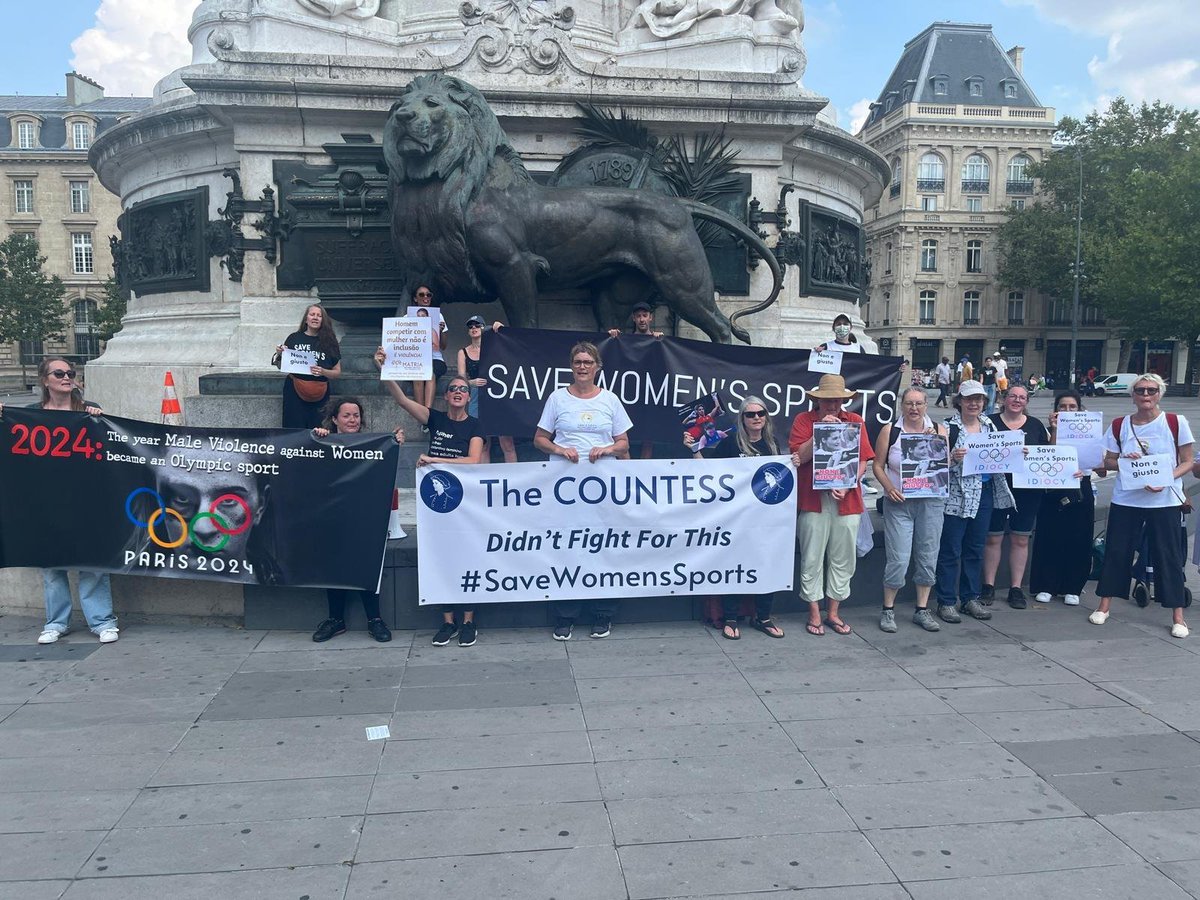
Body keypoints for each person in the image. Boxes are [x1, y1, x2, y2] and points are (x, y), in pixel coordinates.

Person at [1, 359, 119, 645]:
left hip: (84, 498)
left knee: (92, 559)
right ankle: (56, 623)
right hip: (45, 499)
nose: (66, 378)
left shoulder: (88, 410)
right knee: (51, 562)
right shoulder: (29, 415)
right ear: (45, 380)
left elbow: (107, 448)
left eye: (70, 373)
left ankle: (102, 621)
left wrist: (99, 418)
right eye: (59, 373)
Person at [375, 352, 487, 646]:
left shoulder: (475, 425)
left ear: (469, 395)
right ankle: (447, 622)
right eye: (453, 389)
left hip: (465, 504)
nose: (458, 392)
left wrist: (433, 459)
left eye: (463, 389)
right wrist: (384, 369)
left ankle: (469, 622)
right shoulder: (434, 418)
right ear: (446, 396)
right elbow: (401, 400)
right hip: (437, 505)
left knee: (467, 560)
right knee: (440, 560)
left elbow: (473, 461)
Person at [534, 341, 632, 640]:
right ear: (571, 365)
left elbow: (624, 443)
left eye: (588, 362)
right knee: (568, 547)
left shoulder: (611, 400)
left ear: (597, 367)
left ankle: (603, 613)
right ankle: (566, 614)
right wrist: (559, 448)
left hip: (603, 487)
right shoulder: (557, 398)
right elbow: (539, 439)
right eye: (578, 362)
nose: (582, 367)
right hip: (565, 487)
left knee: (603, 547)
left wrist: (607, 448)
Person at [1090, 373, 1193, 638]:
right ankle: (1105, 604)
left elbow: (1187, 461)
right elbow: (1108, 462)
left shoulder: (1174, 422)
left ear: (1160, 393)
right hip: (1127, 498)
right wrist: (1124, 457)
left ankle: (1177, 615)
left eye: (1151, 390)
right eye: (1140, 391)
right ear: (1132, 395)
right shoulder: (1119, 425)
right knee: (1117, 550)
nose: (1146, 395)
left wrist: (1166, 478)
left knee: (1167, 554)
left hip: (1165, 499)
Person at [686, 396, 784, 639]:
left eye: (760, 413)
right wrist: (694, 450)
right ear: (742, 418)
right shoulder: (730, 443)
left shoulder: (772, 444)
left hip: (765, 519)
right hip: (736, 519)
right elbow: (710, 474)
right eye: (750, 414)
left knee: (766, 565)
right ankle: (730, 617)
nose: (756, 418)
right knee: (735, 566)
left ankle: (763, 617)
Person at [309, 397, 402, 643]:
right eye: (347, 415)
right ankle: (335, 619)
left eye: (356, 415)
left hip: (364, 517)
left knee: (366, 565)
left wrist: (394, 443)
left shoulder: (372, 445)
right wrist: (317, 438)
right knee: (333, 567)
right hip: (331, 516)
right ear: (334, 419)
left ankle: (375, 619)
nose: (353, 420)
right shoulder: (323, 442)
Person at [789, 374, 875, 636]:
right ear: (817, 400)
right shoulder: (804, 421)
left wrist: (849, 484)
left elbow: (863, 460)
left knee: (843, 558)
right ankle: (814, 611)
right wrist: (820, 434)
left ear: (843, 400)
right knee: (812, 556)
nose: (832, 405)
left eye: (836, 400)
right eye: (826, 400)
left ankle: (834, 612)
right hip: (813, 501)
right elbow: (798, 458)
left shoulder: (855, 421)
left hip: (846, 499)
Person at [934, 380, 1016, 624]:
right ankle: (946, 601)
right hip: (955, 496)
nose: (974, 403)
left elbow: (1001, 457)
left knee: (975, 548)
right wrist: (952, 458)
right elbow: (934, 466)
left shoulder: (990, 425)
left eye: (979, 399)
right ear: (959, 401)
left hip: (984, 492)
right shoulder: (947, 428)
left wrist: (1015, 454)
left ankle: (970, 598)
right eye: (969, 399)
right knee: (950, 550)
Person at [871, 387, 947, 633]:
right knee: (899, 558)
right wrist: (889, 488)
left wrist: (935, 442)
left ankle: (922, 609)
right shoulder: (890, 431)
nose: (914, 408)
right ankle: (888, 609)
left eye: (919, 404)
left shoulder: (939, 429)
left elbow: (945, 466)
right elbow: (878, 465)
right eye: (909, 403)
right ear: (901, 406)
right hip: (900, 502)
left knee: (928, 554)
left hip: (930, 502)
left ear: (926, 405)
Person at [1029, 389, 1106, 606]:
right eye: (1062, 407)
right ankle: (1046, 585)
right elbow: (1050, 457)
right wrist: (1054, 429)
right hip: (1053, 489)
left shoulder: (1091, 431)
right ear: (1055, 411)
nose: (1067, 411)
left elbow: (1100, 468)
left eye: (1072, 407)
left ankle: (1073, 586)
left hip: (1081, 486)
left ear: (1080, 409)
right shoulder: (1046, 431)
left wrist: (1089, 465)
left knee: (1079, 537)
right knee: (1049, 535)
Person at [980, 384, 1048, 609]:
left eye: (1022, 398)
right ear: (1004, 398)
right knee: (993, 538)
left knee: (1020, 538)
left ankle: (1016, 588)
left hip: (1027, 491)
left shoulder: (1036, 426)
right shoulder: (988, 422)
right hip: (996, 487)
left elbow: (1048, 455)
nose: (1017, 401)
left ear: (1027, 402)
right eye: (1013, 396)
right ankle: (988, 586)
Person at [274, 304, 341, 429]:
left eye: (319, 315)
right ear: (306, 319)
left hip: (320, 391)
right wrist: (279, 354)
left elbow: (337, 372)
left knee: (318, 427)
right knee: (293, 427)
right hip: (294, 389)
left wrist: (323, 372)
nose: (315, 318)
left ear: (323, 320)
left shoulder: (331, 342)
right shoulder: (294, 338)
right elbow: (281, 366)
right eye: (312, 314)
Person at [411, 285, 448, 412]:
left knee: (429, 374)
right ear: (415, 299)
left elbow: (443, 346)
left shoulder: (439, 317)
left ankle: (427, 412)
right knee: (418, 375)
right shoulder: (407, 318)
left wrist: (441, 331)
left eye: (428, 294)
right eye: (421, 295)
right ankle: (421, 413)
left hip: (435, 359)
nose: (426, 297)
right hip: (415, 360)